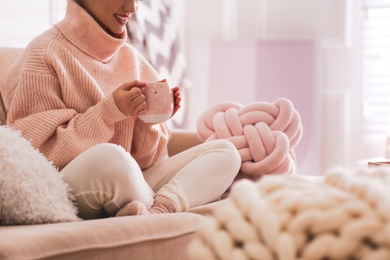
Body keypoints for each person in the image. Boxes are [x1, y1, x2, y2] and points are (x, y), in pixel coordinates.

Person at [4, 0, 241, 219]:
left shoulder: (134, 60)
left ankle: (161, 210)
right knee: (113, 158)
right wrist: (108, 112)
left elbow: (149, 161)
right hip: (71, 184)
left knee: (226, 152)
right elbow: (39, 153)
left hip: (133, 181)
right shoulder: (43, 54)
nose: (133, 7)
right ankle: (150, 207)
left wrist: (151, 122)